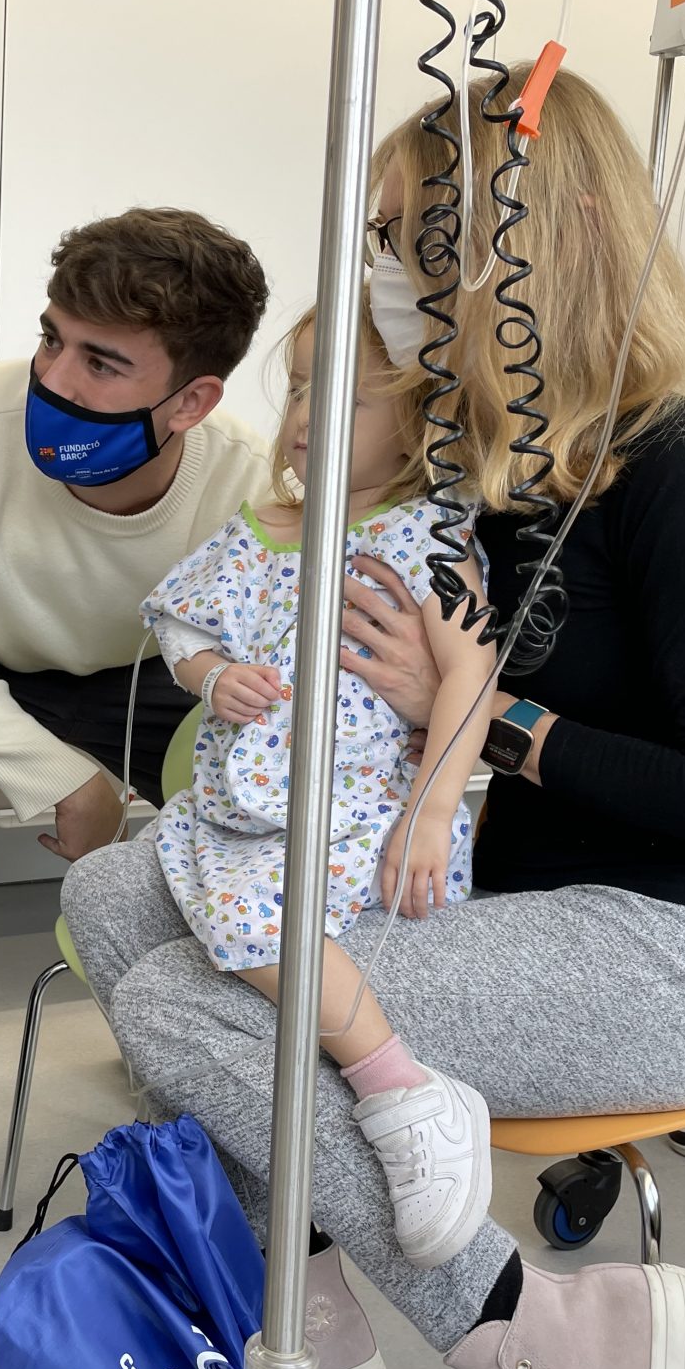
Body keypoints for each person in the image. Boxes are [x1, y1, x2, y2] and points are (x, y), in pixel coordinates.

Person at [63, 66, 685, 1369]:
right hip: (481, 897)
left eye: (410, 237)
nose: (389, 272)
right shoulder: (481, 472)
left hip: (656, 945)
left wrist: (477, 720)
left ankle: (529, 1325)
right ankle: (309, 1294)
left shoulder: (677, 461)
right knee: (117, 889)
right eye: (384, 238)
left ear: (535, 233)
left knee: (182, 1003)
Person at [0, 207, 274, 1209]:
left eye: (102, 363)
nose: (54, 380)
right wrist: (63, 781)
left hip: (155, 673)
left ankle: (186, 1033)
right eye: (52, 339)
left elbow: (255, 658)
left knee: (262, 792)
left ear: (192, 400)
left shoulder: (246, 477)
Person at [143, 304, 494, 1270]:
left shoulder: (427, 535)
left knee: (257, 921)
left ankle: (403, 1095)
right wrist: (213, 676)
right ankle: (252, 1173)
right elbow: (180, 625)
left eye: (345, 396)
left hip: (364, 808)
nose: (306, 413)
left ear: (422, 422)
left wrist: (431, 812)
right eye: (299, 387)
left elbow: (471, 675)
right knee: (201, 897)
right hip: (240, 812)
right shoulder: (260, 529)